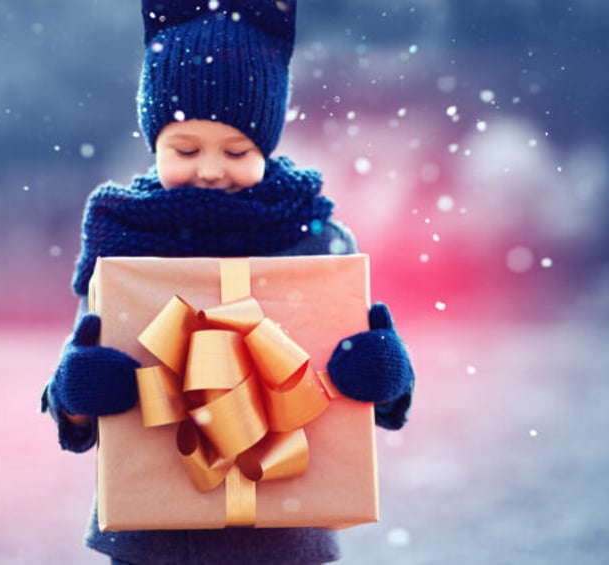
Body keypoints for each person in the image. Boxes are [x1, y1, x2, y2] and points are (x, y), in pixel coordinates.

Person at [41, 1, 415, 563]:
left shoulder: (315, 236)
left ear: (266, 146)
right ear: (153, 142)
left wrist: (386, 376)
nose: (212, 168)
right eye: (185, 149)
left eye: (237, 150)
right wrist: (76, 392)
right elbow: (71, 407)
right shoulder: (124, 237)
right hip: (152, 541)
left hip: (288, 535)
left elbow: (374, 404)